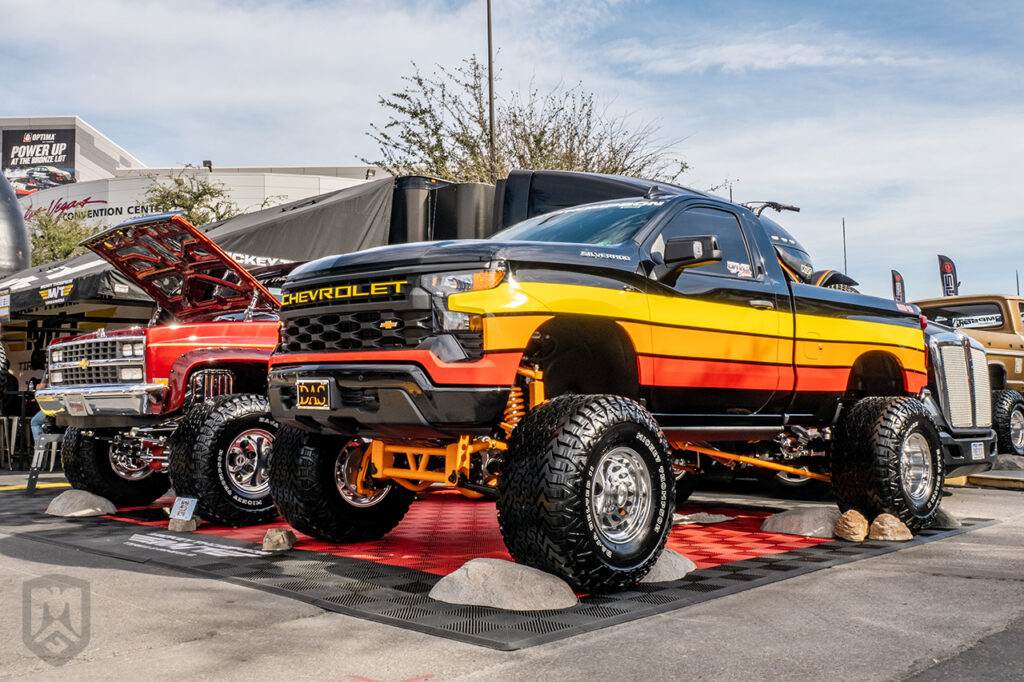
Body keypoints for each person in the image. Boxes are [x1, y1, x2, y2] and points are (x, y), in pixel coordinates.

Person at [30, 373, 47, 446]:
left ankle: (39, 450)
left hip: (57, 406)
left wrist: (37, 386)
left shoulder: (49, 368)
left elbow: (41, 386)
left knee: (35, 422)